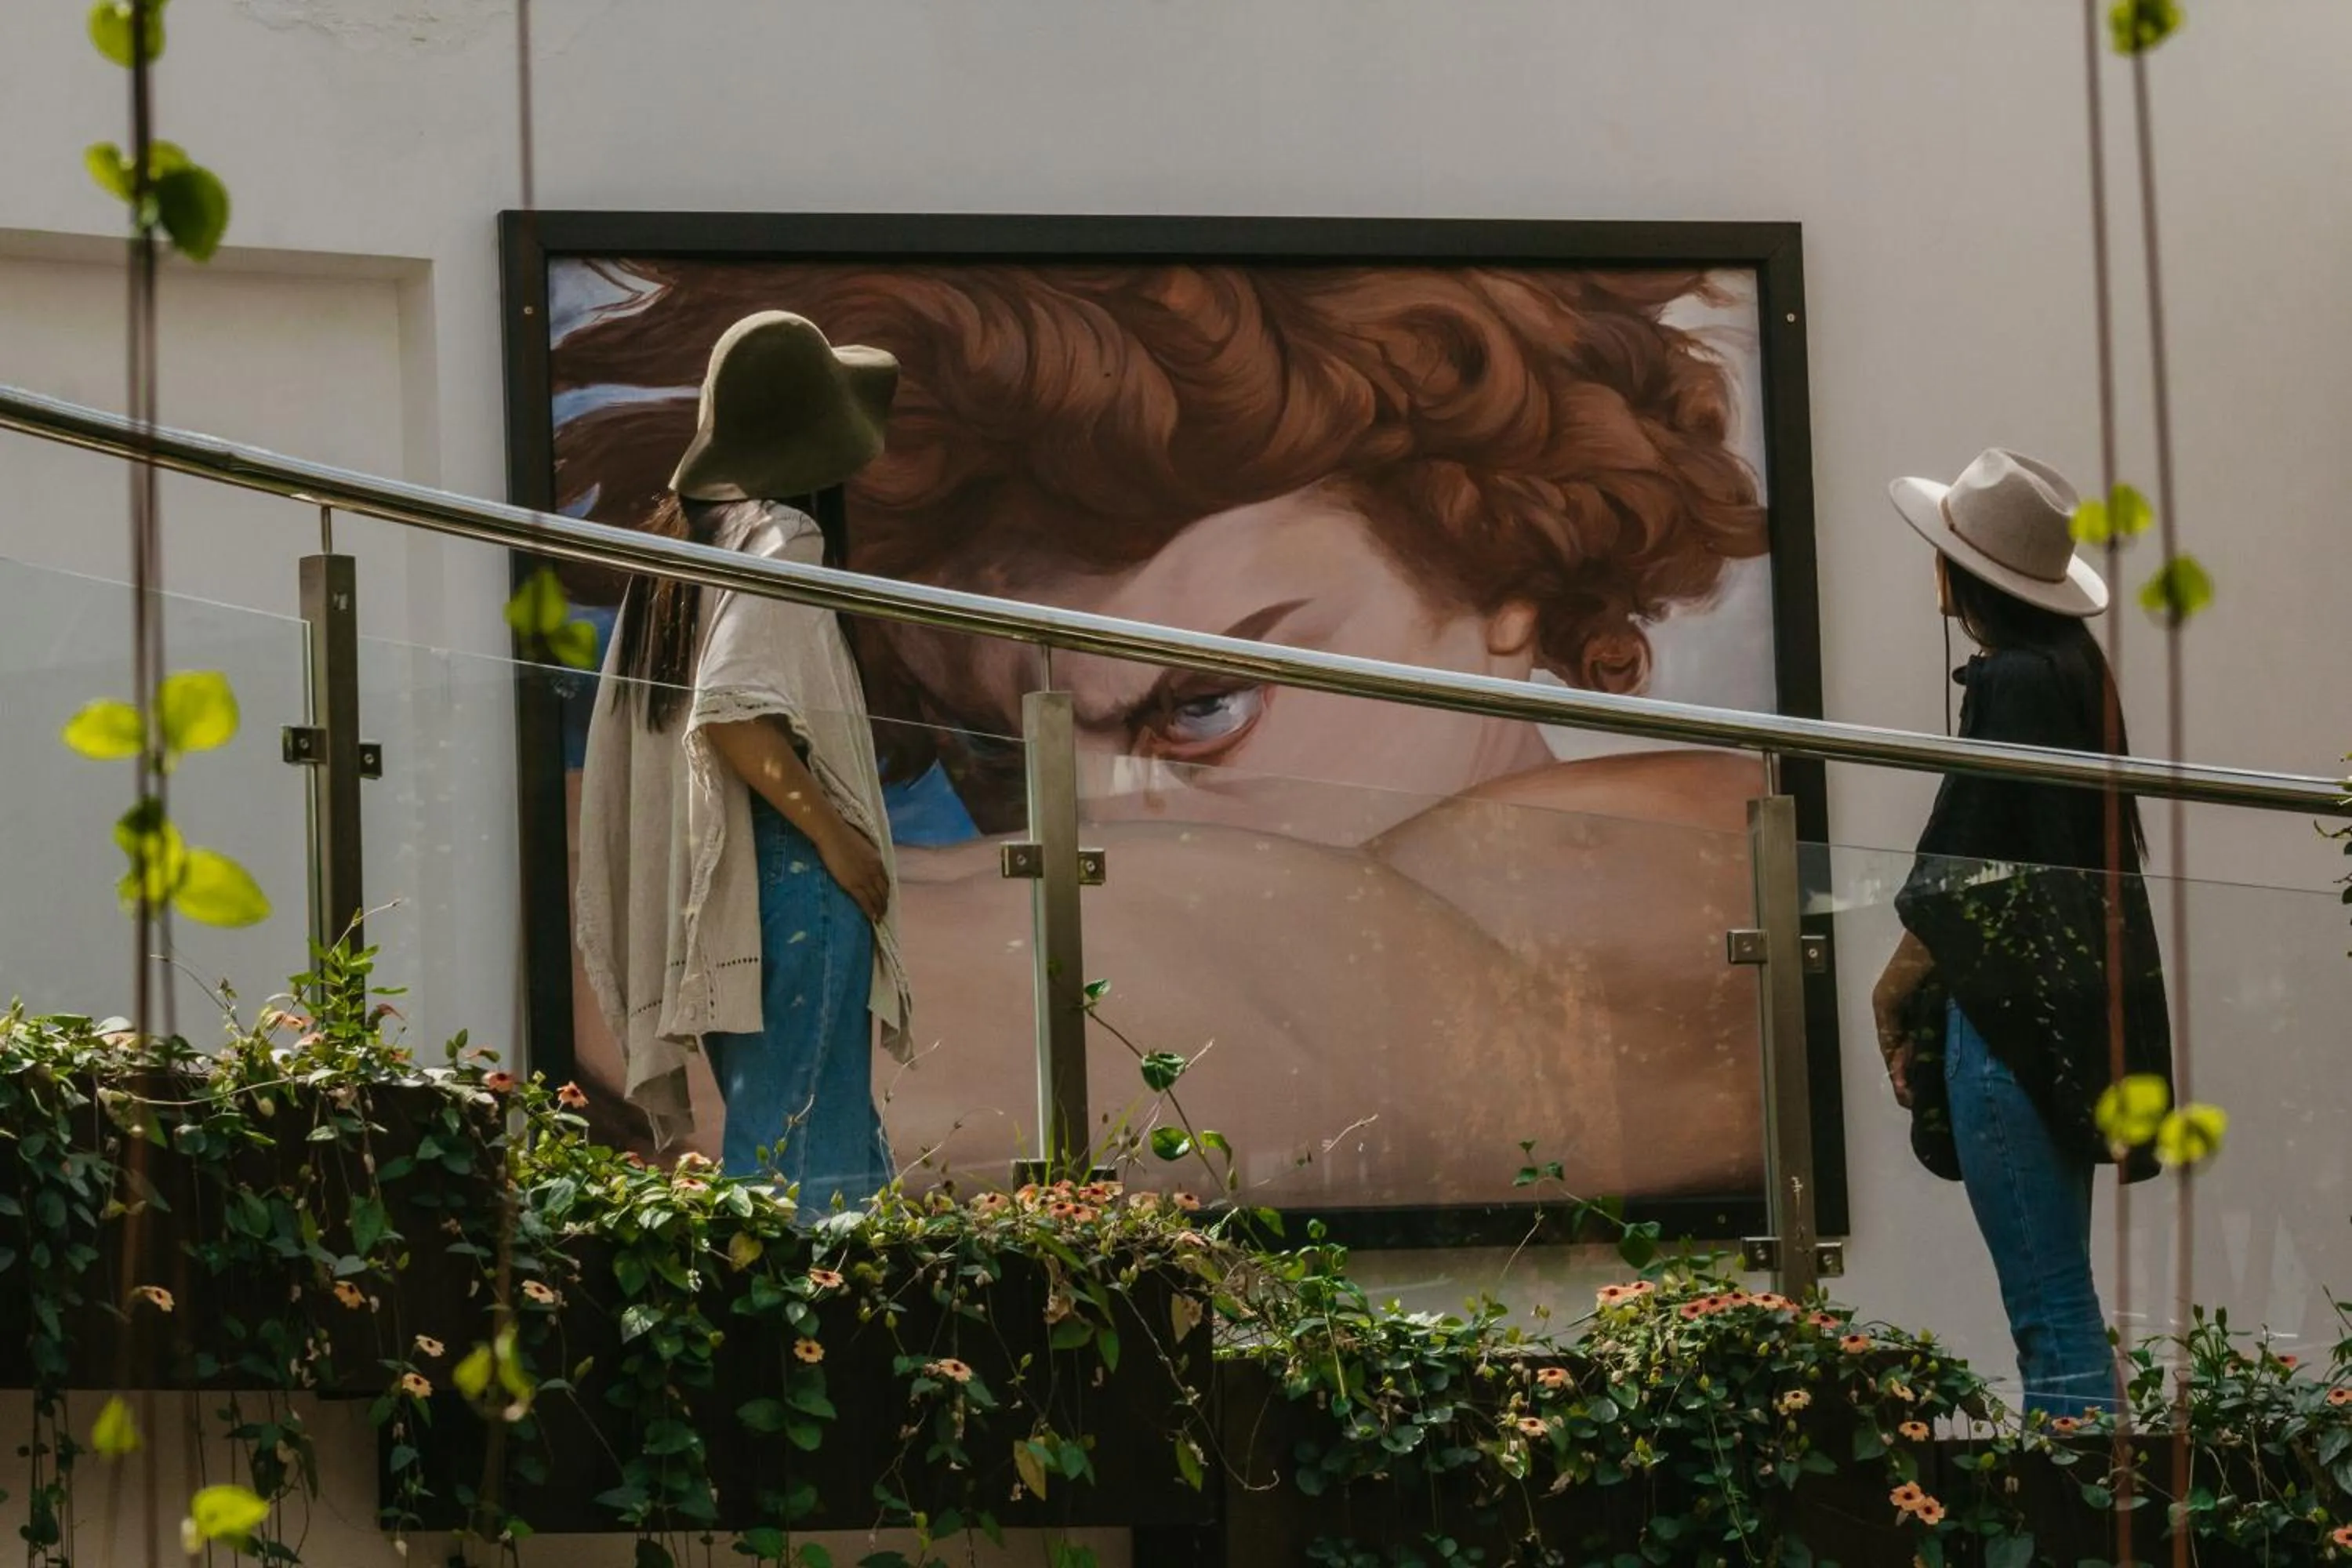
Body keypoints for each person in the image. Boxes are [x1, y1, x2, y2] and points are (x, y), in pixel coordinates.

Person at [552, 260, 1781, 1205]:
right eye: (1002, 756)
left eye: (1202, 706)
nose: (1089, 822)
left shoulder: (1689, 868)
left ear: (1504, 570)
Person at [574, 311, 914, 1212]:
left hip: (723, 893)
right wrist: (837, 839)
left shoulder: (686, 544)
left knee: (802, 1144)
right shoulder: (783, 539)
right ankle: (800, 1347)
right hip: (788, 878)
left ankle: (829, 1341)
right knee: (808, 1170)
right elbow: (733, 711)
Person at [1871, 448, 2171, 1417]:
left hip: (2006, 1030)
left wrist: (1892, 985)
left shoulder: (2013, 685)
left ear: (1959, 573)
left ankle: (2081, 1522)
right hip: (2066, 1026)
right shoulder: (2077, 674)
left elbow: (1969, 864)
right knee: (2058, 1295)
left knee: (2049, 1311)